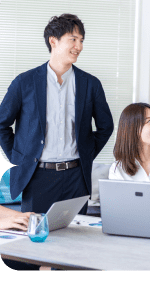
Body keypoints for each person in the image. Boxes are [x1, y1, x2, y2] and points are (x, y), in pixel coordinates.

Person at [0, 14, 114, 215]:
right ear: (53, 41)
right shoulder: (24, 82)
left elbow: (106, 126)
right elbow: (1, 124)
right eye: (73, 39)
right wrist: (20, 157)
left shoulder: (91, 84)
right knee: (37, 239)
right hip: (37, 178)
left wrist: (85, 154)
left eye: (81, 41)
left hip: (77, 178)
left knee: (76, 241)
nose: (78, 46)